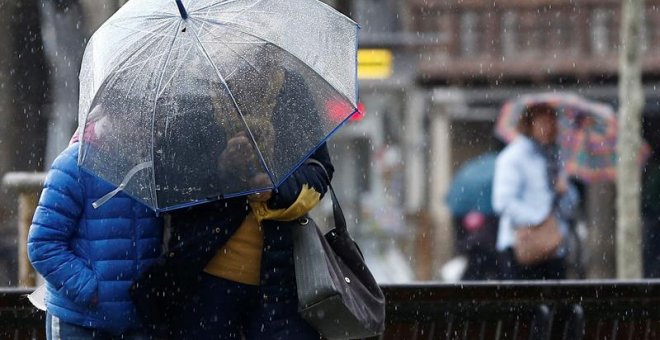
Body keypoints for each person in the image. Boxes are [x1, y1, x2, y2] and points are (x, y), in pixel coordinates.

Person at [131, 54, 333, 339]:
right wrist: (222, 170)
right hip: (205, 286)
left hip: (283, 283)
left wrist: (275, 189)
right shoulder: (192, 95)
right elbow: (169, 182)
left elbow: (320, 170)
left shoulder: (291, 90)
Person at [27, 110, 164, 338]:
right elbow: (42, 244)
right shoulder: (73, 165)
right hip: (79, 321)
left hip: (136, 321)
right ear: (111, 114)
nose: (143, 126)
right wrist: (89, 290)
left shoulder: (150, 169)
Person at [492, 102, 579, 280]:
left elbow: (569, 205)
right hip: (521, 246)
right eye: (543, 122)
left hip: (553, 247)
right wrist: (537, 220)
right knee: (524, 304)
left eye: (551, 122)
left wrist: (564, 191)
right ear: (529, 124)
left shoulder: (555, 158)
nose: (548, 128)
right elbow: (503, 202)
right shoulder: (513, 157)